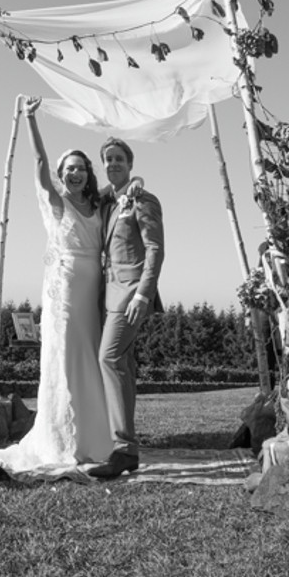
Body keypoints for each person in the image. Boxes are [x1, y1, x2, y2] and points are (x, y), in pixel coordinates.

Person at [0, 97, 114, 475]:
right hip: (66, 287)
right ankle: (64, 440)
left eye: (81, 168)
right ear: (61, 174)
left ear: (88, 174)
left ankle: (96, 438)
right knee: (67, 356)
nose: (75, 173)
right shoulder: (57, 202)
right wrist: (31, 119)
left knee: (91, 357)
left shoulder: (98, 204)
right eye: (69, 168)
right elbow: (40, 163)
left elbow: (123, 188)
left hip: (95, 289)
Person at [88, 137, 164, 478]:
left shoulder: (144, 201)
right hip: (108, 295)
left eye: (119, 158)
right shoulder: (109, 202)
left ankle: (122, 448)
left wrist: (143, 295)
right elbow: (92, 193)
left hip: (131, 294)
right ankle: (127, 450)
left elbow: (155, 249)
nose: (113, 163)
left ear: (130, 164)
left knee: (109, 358)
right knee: (125, 366)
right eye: (108, 159)